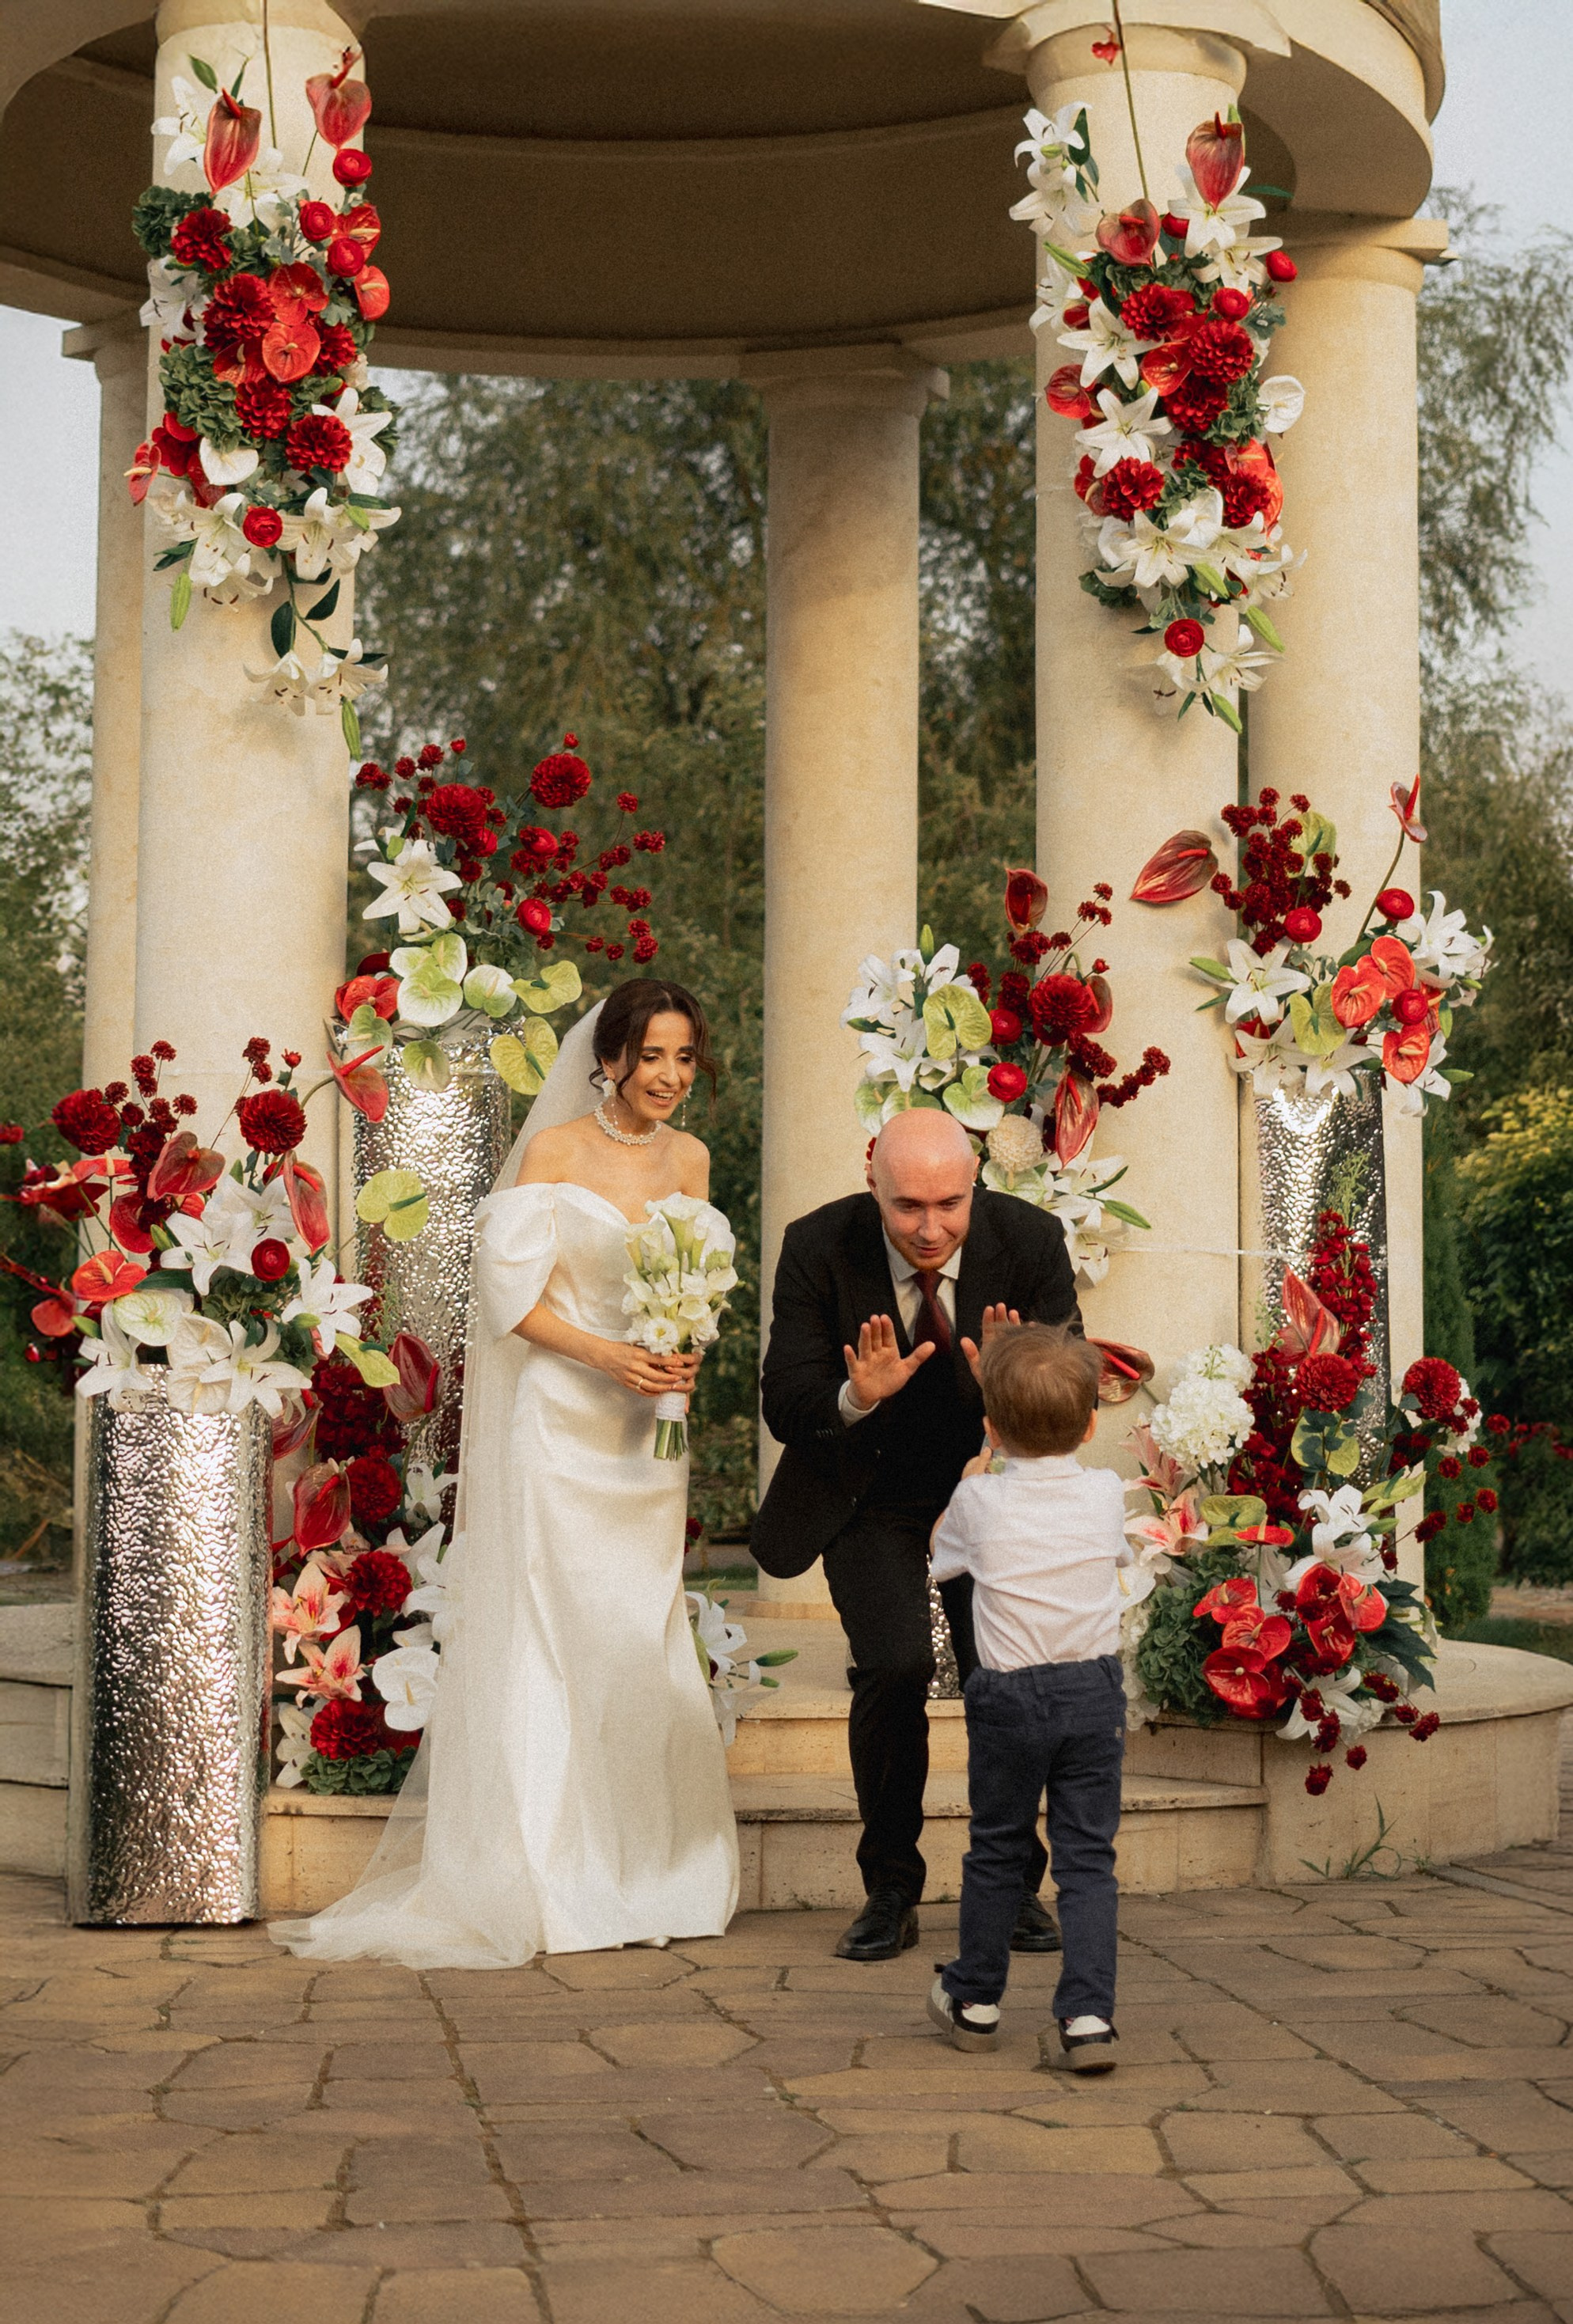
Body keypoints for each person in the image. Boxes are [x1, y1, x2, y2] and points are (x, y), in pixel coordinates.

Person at [272, 980, 739, 1967]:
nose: (667, 1076)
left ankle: (646, 1871)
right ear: (609, 1057)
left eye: (684, 1058)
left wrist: (680, 1351)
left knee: (634, 1633)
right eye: (651, 1056)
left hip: (647, 1436)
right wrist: (613, 1356)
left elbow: (691, 1287)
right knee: (552, 1632)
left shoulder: (691, 1158)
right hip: (561, 1428)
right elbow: (511, 1304)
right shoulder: (555, 1152)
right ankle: (547, 1877)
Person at [754, 1109, 1082, 1962]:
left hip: (988, 1487)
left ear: (974, 1186)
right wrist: (855, 1394)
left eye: (949, 1204)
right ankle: (890, 1888)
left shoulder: (1031, 1239)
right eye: (907, 1207)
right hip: (869, 1495)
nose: (930, 1227)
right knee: (895, 1665)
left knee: (1001, 1679)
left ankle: (1011, 1884)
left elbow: (1071, 1397)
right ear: (873, 1185)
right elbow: (785, 1398)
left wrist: (1013, 1389)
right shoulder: (817, 1245)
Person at [926, 1324, 1128, 2073]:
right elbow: (1113, 1553)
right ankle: (1087, 2016)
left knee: (999, 1846)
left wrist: (974, 1474)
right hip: (1091, 1691)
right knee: (1087, 1859)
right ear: (1090, 1424)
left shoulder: (979, 1500)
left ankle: (975, 1999)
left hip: (1008, 1695)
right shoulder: (1106, 1492)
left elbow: (944, 1559)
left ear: (991, 1426)